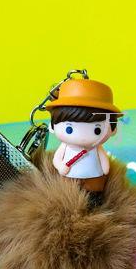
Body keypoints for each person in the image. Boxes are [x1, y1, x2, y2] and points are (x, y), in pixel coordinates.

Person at [45, 77, 122, 206]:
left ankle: (94, 201)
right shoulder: (65, 147)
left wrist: (105, 168)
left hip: (94, 176)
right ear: (52, 126)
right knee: (69, 194)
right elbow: (57, 159)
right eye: (69, 129)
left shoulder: (97, 148)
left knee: (94, 194)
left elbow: (103, 160)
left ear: (113, 129)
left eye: (97, 130)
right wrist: (60, 166)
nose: (82, 137)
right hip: (70, 176)